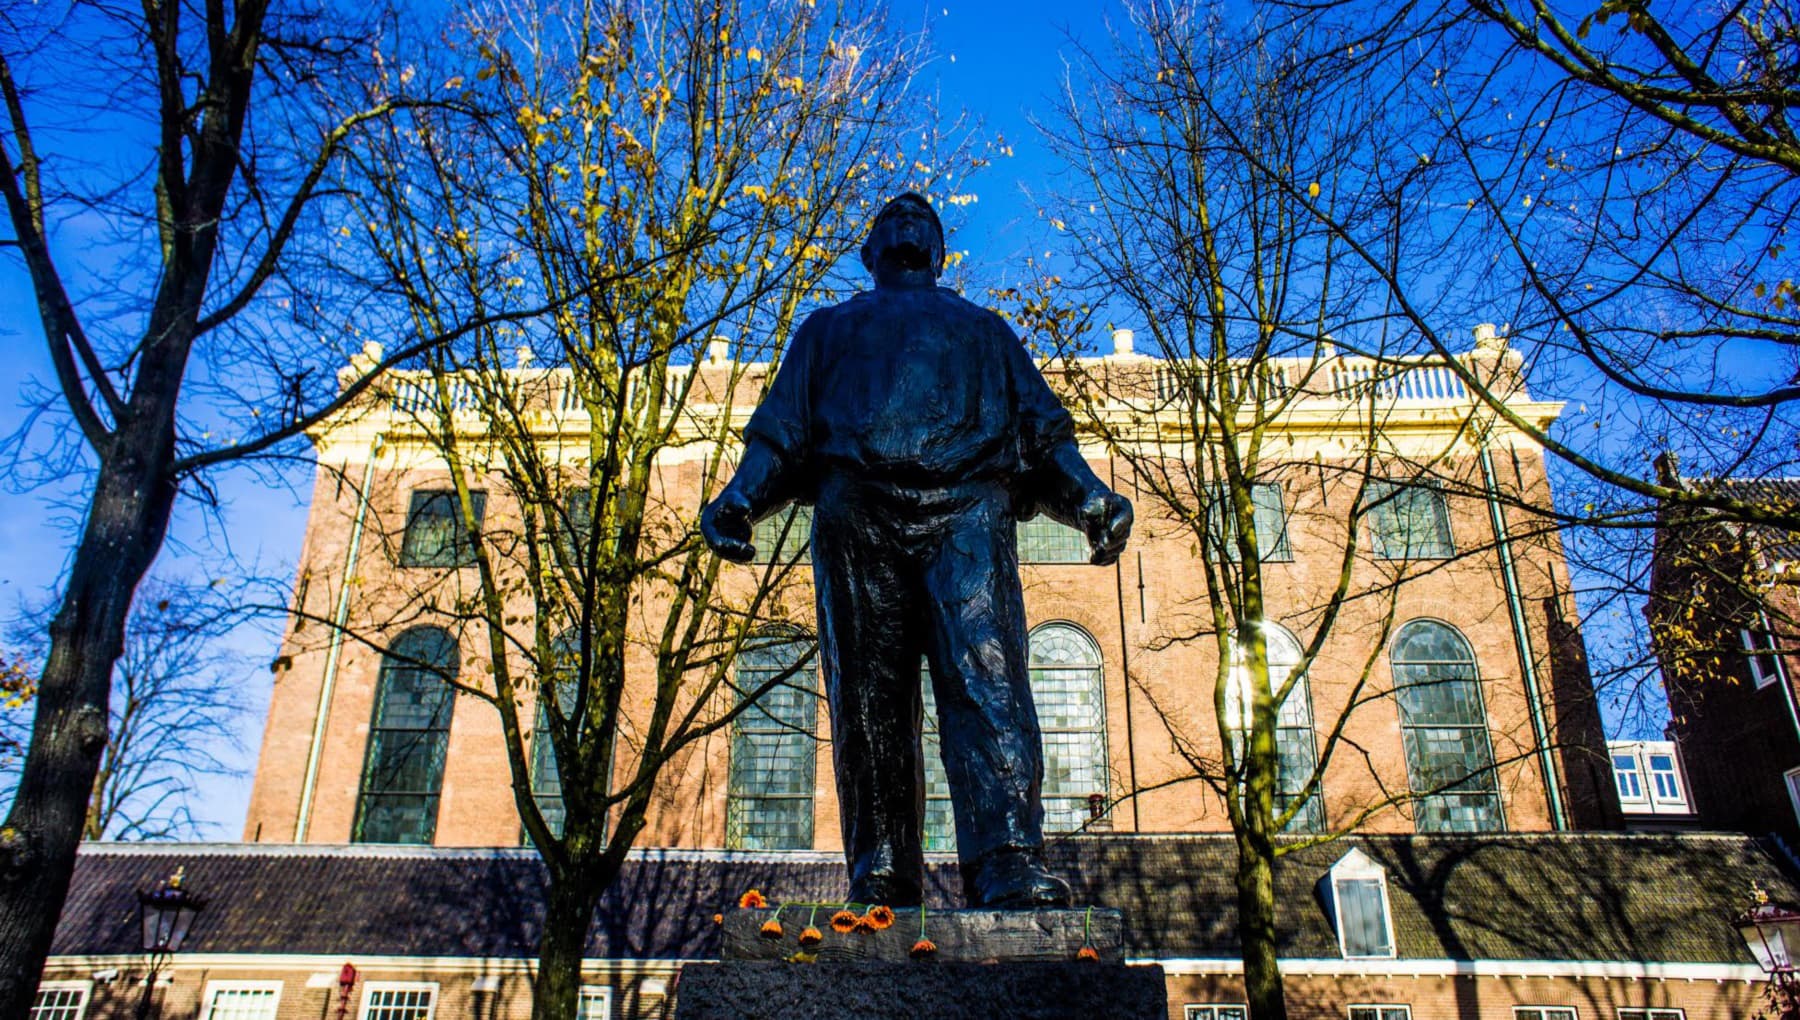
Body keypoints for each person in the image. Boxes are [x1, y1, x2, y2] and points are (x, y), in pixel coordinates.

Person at [701, 192, 1132, 908]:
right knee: (868, 703)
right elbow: (780, 432)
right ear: (868, 255)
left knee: (988, 685)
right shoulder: (826, 331)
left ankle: (1007, 858)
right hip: (858, 513)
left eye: (922, 219)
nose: (908, 217)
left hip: (968, 513)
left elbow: (1044, 433)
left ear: (939, 253)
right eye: (891, 219)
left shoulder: (986, 332)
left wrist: (1090, 497)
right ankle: (883, 870)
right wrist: (739, 498)